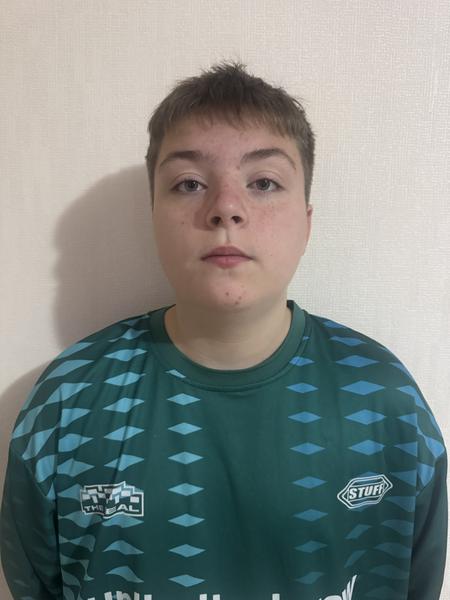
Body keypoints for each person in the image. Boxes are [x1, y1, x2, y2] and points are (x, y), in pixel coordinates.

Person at [1, 60, 447, 600]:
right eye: (189, 183)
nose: (226, 209)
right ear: (152, 215)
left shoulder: (385, 402)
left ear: (306, 223)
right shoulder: (68, 402)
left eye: (263, 182)